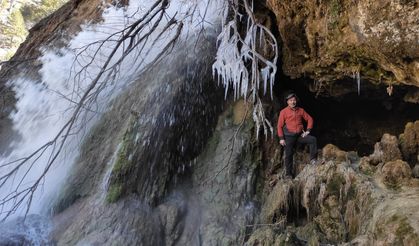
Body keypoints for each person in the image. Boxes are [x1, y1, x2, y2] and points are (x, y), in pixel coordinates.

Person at [277, 92, 320, 178]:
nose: (293, 102)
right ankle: (288, 174)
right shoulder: (283, 112)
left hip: (300, 135)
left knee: (312, 139)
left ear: (296, 101)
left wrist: (308, 131)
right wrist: (281, 138)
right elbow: (279, 126)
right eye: (291, 100)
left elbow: (310, 119)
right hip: (289, 137)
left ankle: (313, 160)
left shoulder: (301, 110)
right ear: (287, 102)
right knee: (289, 154)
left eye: (294, 100)